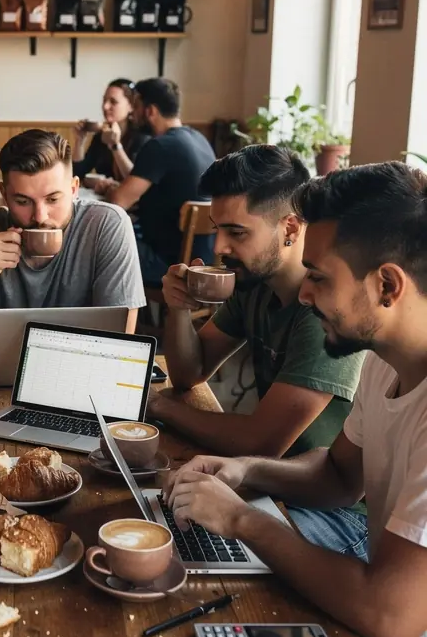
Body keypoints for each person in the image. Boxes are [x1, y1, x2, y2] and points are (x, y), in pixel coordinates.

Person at [69, 161, 427, 637]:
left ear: (387, 285)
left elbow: (388, 617)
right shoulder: (387, 351)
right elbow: (338, 477)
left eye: (320, 277)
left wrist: (241, 518)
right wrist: (244, 470)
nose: (307, 293)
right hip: (396, 610)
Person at [149, 144, 365, 469]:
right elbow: (188, 374)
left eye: (237, 232)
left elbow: (261, 443)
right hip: (268, 477)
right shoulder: (254, 283)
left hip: (323, 506)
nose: (220, 247)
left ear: (290, 228)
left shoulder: (326, 309)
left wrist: (159, 407)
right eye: (217, 228)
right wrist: (178, 307)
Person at [0, 128, 146, 363]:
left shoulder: (106, 224)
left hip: (80, 377)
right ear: (4, 194)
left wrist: (25, 351)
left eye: (53, 199)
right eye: (22, 201)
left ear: (73, 189)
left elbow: (120, 340)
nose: (40, 216)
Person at [104, 78, 215, 284]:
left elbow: (117, 203)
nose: (132, 113)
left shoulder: (160, 146)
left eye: (136, 106)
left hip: (171, 266)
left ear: (150, 111)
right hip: (208, 263)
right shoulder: (199, 139)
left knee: (102, 241)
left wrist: (111, 190)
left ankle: (119, 315)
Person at [72, 78, 149, 185]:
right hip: (104, 198)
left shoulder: (143, 138)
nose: (105, 106)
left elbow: (134, 181)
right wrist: (79, 141)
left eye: (113, 102)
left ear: (131, 106)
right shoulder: (101, 136)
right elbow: (78, 174)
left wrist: (115, 146)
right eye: (104, 100)